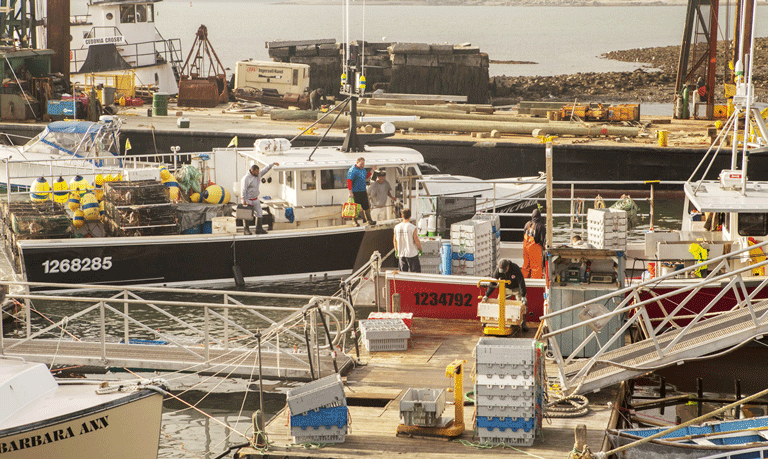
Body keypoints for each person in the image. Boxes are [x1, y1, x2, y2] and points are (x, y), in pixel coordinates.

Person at [482, 259, 528, 331]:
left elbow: (521, 282)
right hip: (505, 288)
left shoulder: (515, 268)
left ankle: (523, 322)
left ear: (508, 266)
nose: (503, 271)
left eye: (504, 269)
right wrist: (487, 295)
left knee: (522, 305)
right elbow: (493, 283)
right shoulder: (497, 271)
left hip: (516, 288)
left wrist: (523, 296)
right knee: (499, 303)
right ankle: (495, 321)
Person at [240, 162, 278, 234]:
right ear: (252, 171)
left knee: (259, 213)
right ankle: (246, 230)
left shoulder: (258, 175)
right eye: (256, 171)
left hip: (255, 198)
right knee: (247, 215)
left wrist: (272, 164)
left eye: (258, 171)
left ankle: (259, 229)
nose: (258, 173)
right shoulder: (246, 178)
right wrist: (243, 199)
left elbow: (265, 170)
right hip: (248, 200)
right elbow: (243, 189)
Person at [347, 157, 375, 225]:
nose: (362, 165)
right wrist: (350, 192)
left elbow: (366, 176)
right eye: (361, 164)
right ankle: (354, 221)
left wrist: (372, 170)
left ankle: (369, 220)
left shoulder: (363, 170)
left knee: (366, 206)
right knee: (356, 206)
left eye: (363, 164)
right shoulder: (352, 170)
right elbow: (349, 181)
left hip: (363, 191)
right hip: (356, 192)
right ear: (357, 162)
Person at [522, 208, 545, 278]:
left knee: (526, 265)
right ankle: (536, 281)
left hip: (525, 247)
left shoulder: (527, 224)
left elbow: (524, 234)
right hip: (534, 248)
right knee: (536, 267)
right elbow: (542, 240)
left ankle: (524, 278)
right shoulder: (541, 226)